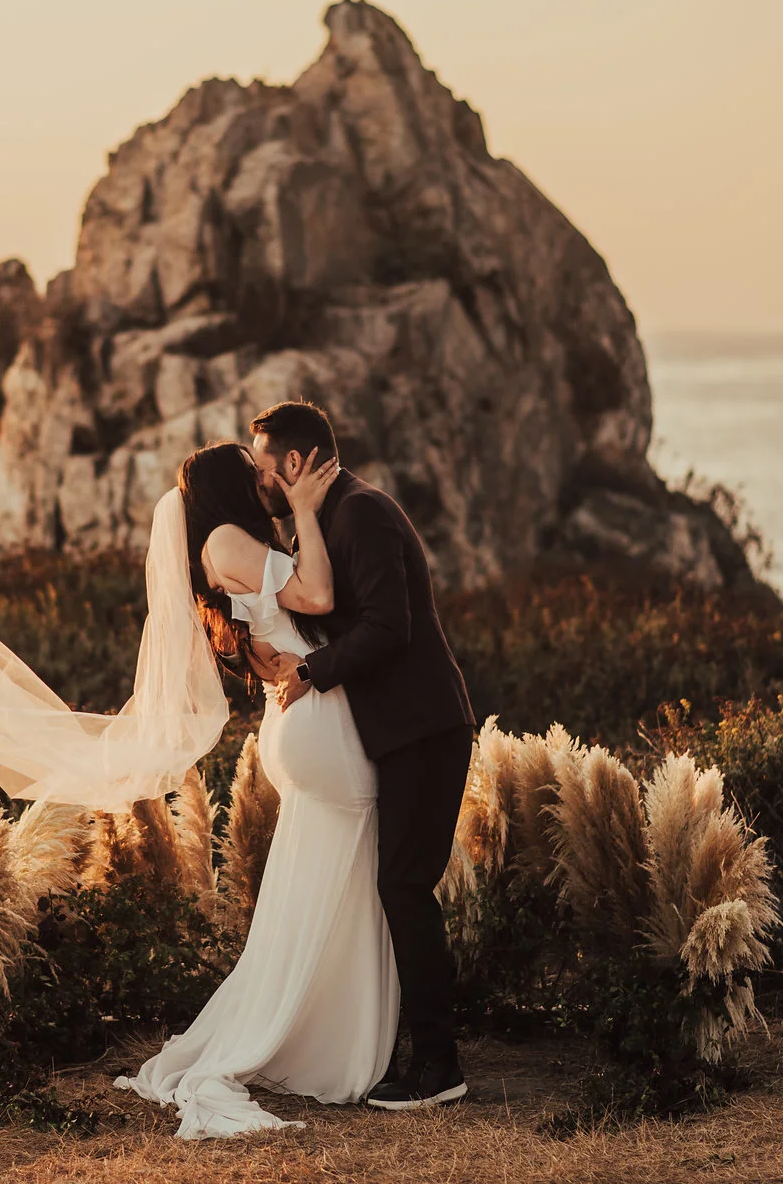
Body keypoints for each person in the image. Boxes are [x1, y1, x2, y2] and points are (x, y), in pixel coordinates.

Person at [0, 435, 404, 1139]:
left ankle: (319, 1033)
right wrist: (305, 507)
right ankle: (329, 1043)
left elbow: (284, 614)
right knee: (346, 868)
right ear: (228, 488)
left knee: (319, 882)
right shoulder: (229, 541)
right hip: (316, 722)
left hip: (302, 718)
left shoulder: (223, 545)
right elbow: (321, 593)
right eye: (254, 474)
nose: (265, 481)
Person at [249, 400, 476, 1110]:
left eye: (262, 468)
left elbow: (389, 627)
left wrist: (311, 672)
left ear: (293, 464)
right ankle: (420, 1051)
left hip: (424, 730)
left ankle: (439, 1066)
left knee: (404, 887)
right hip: (396, 733)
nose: (259, 482)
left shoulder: (363, 513)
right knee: (398, 888)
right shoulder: (330, 517)